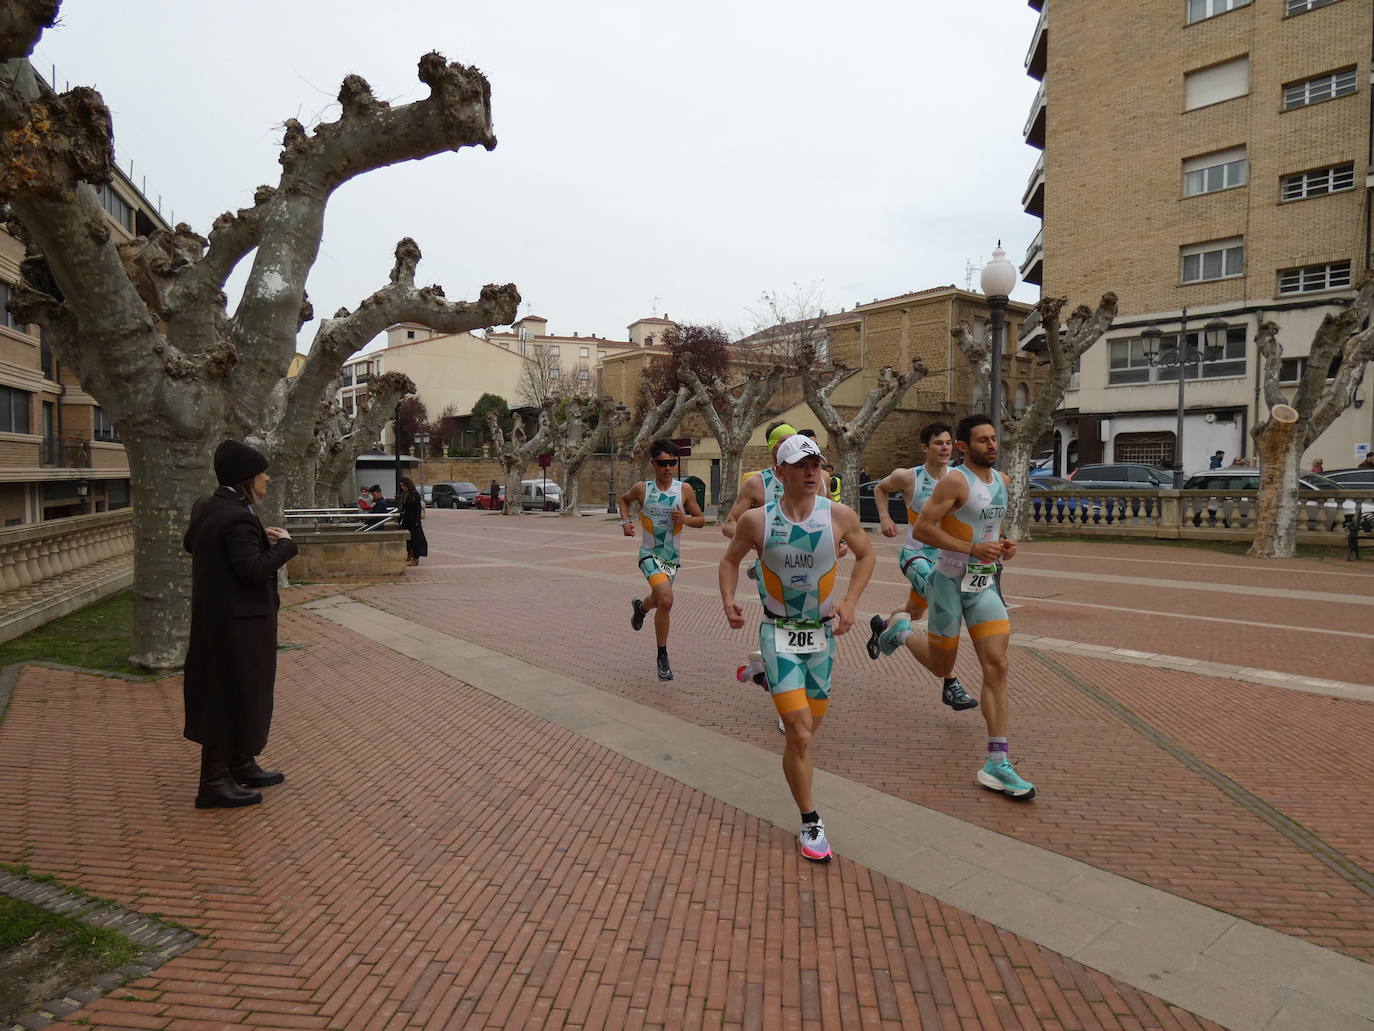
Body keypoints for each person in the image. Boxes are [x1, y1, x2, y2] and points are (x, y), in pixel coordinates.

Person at [720, 434, 875, 862]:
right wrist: (729, 600)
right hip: (778, 632)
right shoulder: (758, 521)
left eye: (817, 465)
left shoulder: (839, 516)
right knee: (801, 735)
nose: (812, 472)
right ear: (779, 472)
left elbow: (867, 556)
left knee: (805, 732)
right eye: (802, 465)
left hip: (822, 637)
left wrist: (850, 601)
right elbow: (730, 559)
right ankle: (811, 821)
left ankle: (760, 674)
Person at [914, 414, 1034, 800]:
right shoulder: (954, 481)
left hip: (983, 585)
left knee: (997, 665)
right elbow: (922, 529)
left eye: (994, 439)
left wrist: (1003, 545)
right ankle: (900, 632)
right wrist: (969, 549)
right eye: (983, 440)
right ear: (964, 447)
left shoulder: (1003, 481)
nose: (993, 446)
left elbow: (988, 529)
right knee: (941, 666)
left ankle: (997, 761)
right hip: (948, 581)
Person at [182, 440, 299, 809]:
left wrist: (255, 540)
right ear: (246, 478)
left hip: (219, 623)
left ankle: (239, 764)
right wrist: (284, 547)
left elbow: (196, 545)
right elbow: (250, 571)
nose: (267, 478)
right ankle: (214, 781)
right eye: (263, 473)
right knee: (230, 694)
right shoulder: (237, 516)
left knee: (237, 692)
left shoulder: (210, 507)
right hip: (236, 629)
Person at [865, 422, 978, 711]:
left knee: (913, 612)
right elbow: (880, 488)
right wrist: (885, 518)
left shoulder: (960, 478)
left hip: (947, 558)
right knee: (943, 605)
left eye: (949, 443)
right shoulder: (908, 477)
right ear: (924, 448)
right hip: (916, 556)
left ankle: (882, 626)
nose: (945, 448)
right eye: (939, 443)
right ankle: (950, 684)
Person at [621, 439, 706, 681]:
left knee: (660, 600)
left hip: (671, 558)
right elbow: (624, 500)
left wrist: (685, 519)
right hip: (649, 553)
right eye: (662, 463)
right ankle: (662, 655)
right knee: (667, 600)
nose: (668, 467)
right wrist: (625, 522)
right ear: (653, 464)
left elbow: (700, 519)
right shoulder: (642, 489)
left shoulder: (684, 490)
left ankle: (642, 607)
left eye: (672, 462)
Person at [396, 477, 428, 566]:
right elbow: (404, 508)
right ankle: (409, 555)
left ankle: (415, 558)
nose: (402, 487)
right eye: (401, 485)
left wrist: (417, 521)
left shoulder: (414, 495)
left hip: (414, 521)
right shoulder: (404, 494)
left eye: (403, 485)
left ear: (407, 485)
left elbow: (417, 509)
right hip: (407, 520)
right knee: (407, 539)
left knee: (415, 540)